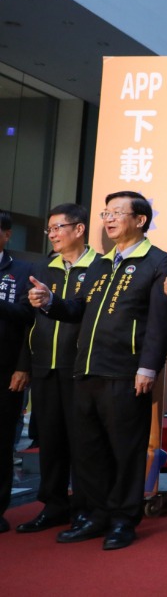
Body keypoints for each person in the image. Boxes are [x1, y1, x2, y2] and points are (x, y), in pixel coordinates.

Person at [29, 192, 167, 550]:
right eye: (106, 213)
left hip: (125, 372)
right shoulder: (102, 263)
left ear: (140, 220)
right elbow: (79, 309)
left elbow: (161, 322)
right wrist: (51, 302)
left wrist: (148, 367)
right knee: (88, 450)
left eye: (117, 213)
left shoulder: (158, 261)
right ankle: (95, 515)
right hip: (86, 370)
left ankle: (123, 520)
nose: (109, 219)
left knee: (126, 451)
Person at [12, 204, 94, 535]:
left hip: (81, 368)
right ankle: (54, 505)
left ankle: (86, 507)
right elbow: (27, 321)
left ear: (79, 229)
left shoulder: (100, 267)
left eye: (58, 228)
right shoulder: (43, 268)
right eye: (50, 229)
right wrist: (24, 365)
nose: (53, 235)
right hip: (45, 366)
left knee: (84, 442)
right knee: (50, 440)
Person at [0, 210, 35, 533]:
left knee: (2, 441)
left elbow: (29, 320)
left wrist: (23, 366)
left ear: (7, 234)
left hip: (6, 369)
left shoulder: (22, 271)